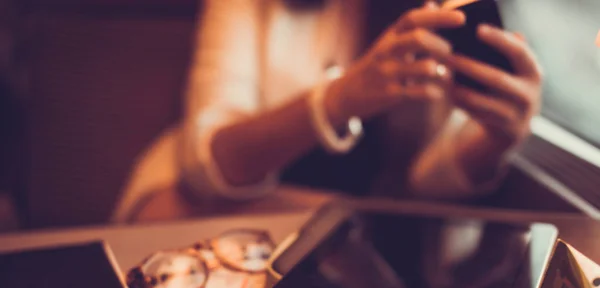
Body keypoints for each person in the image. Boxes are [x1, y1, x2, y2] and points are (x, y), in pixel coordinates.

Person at [112, 0, 543, 223]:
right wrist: (338, 99)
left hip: (351, 244)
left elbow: (425, 185)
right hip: (212, 212)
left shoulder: (438, 12)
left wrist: (496, 141)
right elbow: (209, 167)